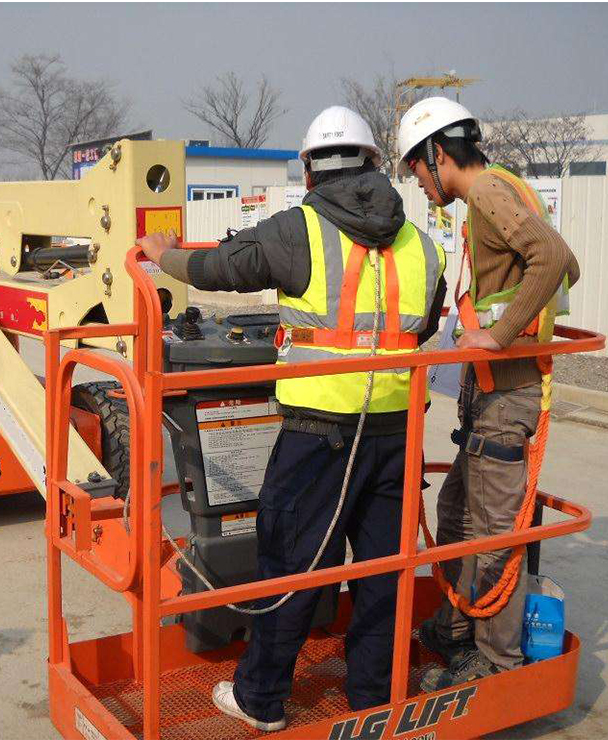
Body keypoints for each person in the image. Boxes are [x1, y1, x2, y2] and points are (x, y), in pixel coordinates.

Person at [137, 106, 446, 731]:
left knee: (290, 565)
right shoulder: (423, 243)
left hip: (318, 435)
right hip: (395, 431)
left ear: (309, 168)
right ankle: (376, 701)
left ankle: (262, 698)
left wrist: (164, 256)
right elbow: (426, 324)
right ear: (375, 163)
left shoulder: (298, 229)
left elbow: (220, 269)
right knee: (383, 573)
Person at [396, 97, 580, 690]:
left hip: (508, 395)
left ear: (436, 154)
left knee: (493, 530)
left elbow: (551, 258)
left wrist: (499, 335)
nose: (419, 185)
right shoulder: (505, 189)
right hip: (491, 394)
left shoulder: (484, 194)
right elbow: (568, 263)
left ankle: (494, 663)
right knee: (455, 513)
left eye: (416, 172)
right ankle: (455, 626)